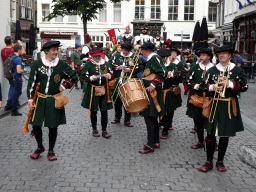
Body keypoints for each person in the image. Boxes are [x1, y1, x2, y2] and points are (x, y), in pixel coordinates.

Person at [198, 45, 248, 172]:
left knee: (224, 134)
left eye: (224, 53)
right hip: (213, 104)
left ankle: (220, 161)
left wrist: (230, 84)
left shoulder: (236, 70)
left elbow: (245, 86)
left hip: (228, 105)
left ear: (230, 55)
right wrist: (212, 87)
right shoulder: (212, 70)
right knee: (210, 133)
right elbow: (203, 85)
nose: (221, 55)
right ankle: (209, 160)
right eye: (219, 53)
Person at [27, 41, 77, 161]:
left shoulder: (61, 64)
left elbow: (73, 76)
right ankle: (40, 147)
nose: (56, 52)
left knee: (52, 126)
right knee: (36, 125)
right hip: (39, 99)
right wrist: (30, 99)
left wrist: (64, 86)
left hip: (53, 99)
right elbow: (32, 83)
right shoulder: (38, 63)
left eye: (56, 50)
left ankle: (51, 149)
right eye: (54, 50)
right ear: (47, 51)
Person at [139, 42, 167, 153]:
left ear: (146, 50)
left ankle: (150, 144)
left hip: (152, 92)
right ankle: (155, 141)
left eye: (142, 50)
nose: (142, 52)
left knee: (149, 117)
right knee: (153, 117)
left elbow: (163, 72)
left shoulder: (154, 58)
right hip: (151, 92)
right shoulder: (151, 59)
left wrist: (153, 84)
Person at [81, 47, 114, 138]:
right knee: (94, 111)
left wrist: (109, 76)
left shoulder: (106, 63)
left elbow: (112, 73)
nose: (98, 58)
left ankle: (104, 130)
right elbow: (83, 76)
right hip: (92, 90)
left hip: (104, 90)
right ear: (92, 56)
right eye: (96, 56)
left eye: (99, 56)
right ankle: (95, 129)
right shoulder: (88, 64)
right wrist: (90, 78)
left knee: (104, 111)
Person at [186, 48, 214, 149]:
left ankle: (213, 142)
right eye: (200, 55)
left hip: (209, 98)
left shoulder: (214, 68)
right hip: (197, 98)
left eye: (203, 55)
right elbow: (188, 80)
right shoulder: (195, 67)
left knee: (210, 121)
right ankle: (200, 141)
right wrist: (196, 86)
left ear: (209, 56)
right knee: (198, 121)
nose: (200, 57)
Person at [110, 43, 142, 127]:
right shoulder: (116, 56)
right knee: (117, 100)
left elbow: (139, 67)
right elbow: (110, 64)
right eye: (124, 50)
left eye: (127, 51)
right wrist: (117, 67)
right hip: (118, 81)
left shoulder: (135, 57)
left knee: (128, 100)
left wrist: (130, 69)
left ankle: (127, 120)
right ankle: (117, 118)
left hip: (129, 81)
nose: (125, 52)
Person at [159, 47, 185, 138]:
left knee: (169, 111)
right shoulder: (157, 65)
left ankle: (166, 129)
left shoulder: (174, 65)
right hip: (158, 91)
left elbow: (181, 75)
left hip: (169, 91)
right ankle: (161, 122)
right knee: (159, 109)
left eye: (164, 57)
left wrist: (174, 74)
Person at [7, 44, 26, 116]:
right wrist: (23, 70)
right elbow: (18, 71)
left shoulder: (11, 56)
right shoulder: (18, 59)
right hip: (17, 78)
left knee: (13, 92)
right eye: (21, 49)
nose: (22, 51)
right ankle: (14, 111)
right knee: (16, 94)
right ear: (18, 50)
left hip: (11, 77)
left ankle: (9, 105)